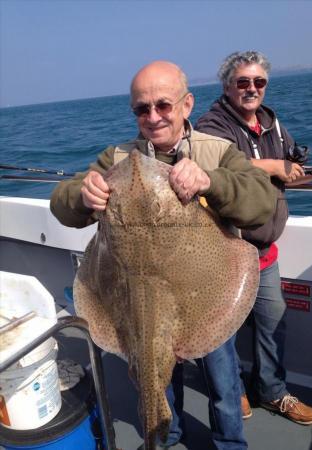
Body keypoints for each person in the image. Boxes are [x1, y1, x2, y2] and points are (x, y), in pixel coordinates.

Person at [50, 60, 277, 450]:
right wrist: (81, 195)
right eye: (142, 108)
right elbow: (62, 204)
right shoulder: (118, 158)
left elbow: (262, 201)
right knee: (152, 379)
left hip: (205, 294)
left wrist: (212, 181)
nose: (153, 117)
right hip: (132, 297)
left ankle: (229, 443)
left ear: (187, 105)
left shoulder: (218, 151)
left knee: (224, 382)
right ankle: (165, 438)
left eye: (163, 105)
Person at [195, 50, 312, 426]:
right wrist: (270, 165)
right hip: (225, 251)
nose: (252, 89)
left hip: (264, 252)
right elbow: (213, 166)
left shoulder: (272, 123)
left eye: (259, 82)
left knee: (272, 320)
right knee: (222, 330)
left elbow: (289, 171)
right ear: (227, 86)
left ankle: (272, 391)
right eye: (243, 82)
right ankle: (232, 391)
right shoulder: (212, 124)